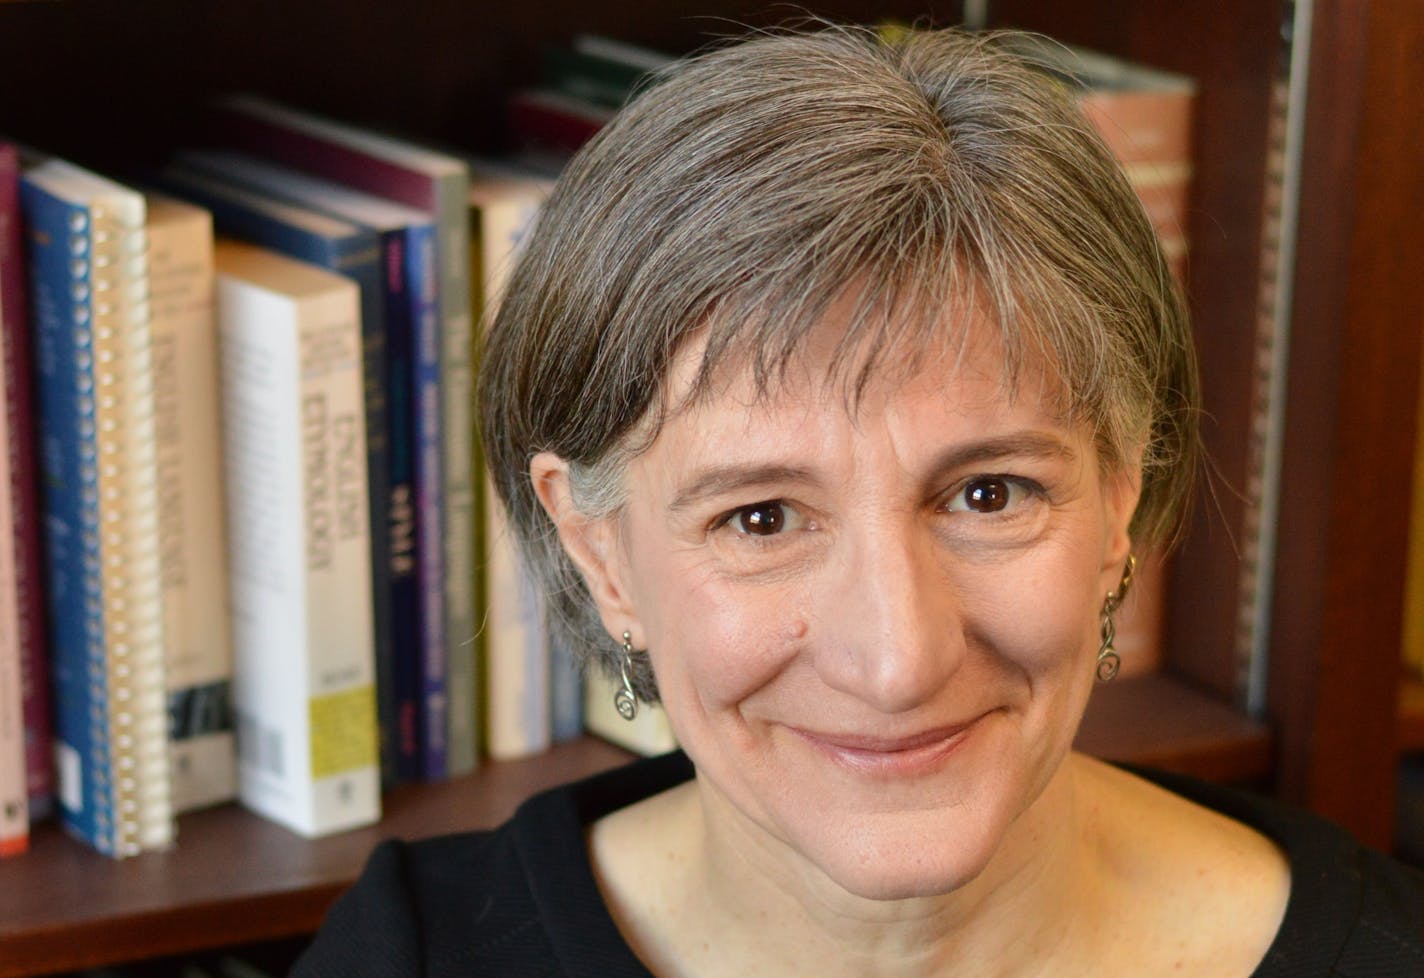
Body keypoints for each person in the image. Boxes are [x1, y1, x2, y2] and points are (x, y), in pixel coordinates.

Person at [292, 25, 1424, 977]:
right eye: (760, 517)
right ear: (598, 553)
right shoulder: (409, 957)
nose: (897, 661)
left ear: (1118, 501)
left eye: (988, 493)